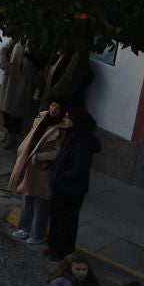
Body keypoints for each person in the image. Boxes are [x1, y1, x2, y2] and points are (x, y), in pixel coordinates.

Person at [11, 98, 68, 245]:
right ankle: (24, 228)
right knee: (27, 196)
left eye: (58, 108)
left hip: (43, 167)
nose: (53, 109)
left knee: (41, 201)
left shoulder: (63, 128)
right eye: (53, 105)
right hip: (30, 162)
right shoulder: (42, 117)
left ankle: (38, 233)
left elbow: (57, 151)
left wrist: (39, 157)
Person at [47, 107, 101, 260]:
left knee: (66, 221)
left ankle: (63, 252)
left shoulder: (82, 144)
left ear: (77, 122)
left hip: (70, 190)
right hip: (62, 186)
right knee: (57, 218)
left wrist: (59, 176)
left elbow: (79, 169)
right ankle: (54, 248)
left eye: (67, 117)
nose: (64, 119)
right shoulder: (71, 136)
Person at [0, 36, 46, 148]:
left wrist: (29, 54)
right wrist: (6, 65)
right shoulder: (17, 37)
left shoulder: (40, 42)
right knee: (5, 108)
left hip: (25, 81)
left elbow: (40, 63)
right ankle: (9, 131)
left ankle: (12, 135)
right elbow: (3, 50)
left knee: (17, 111)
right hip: (11, 78)